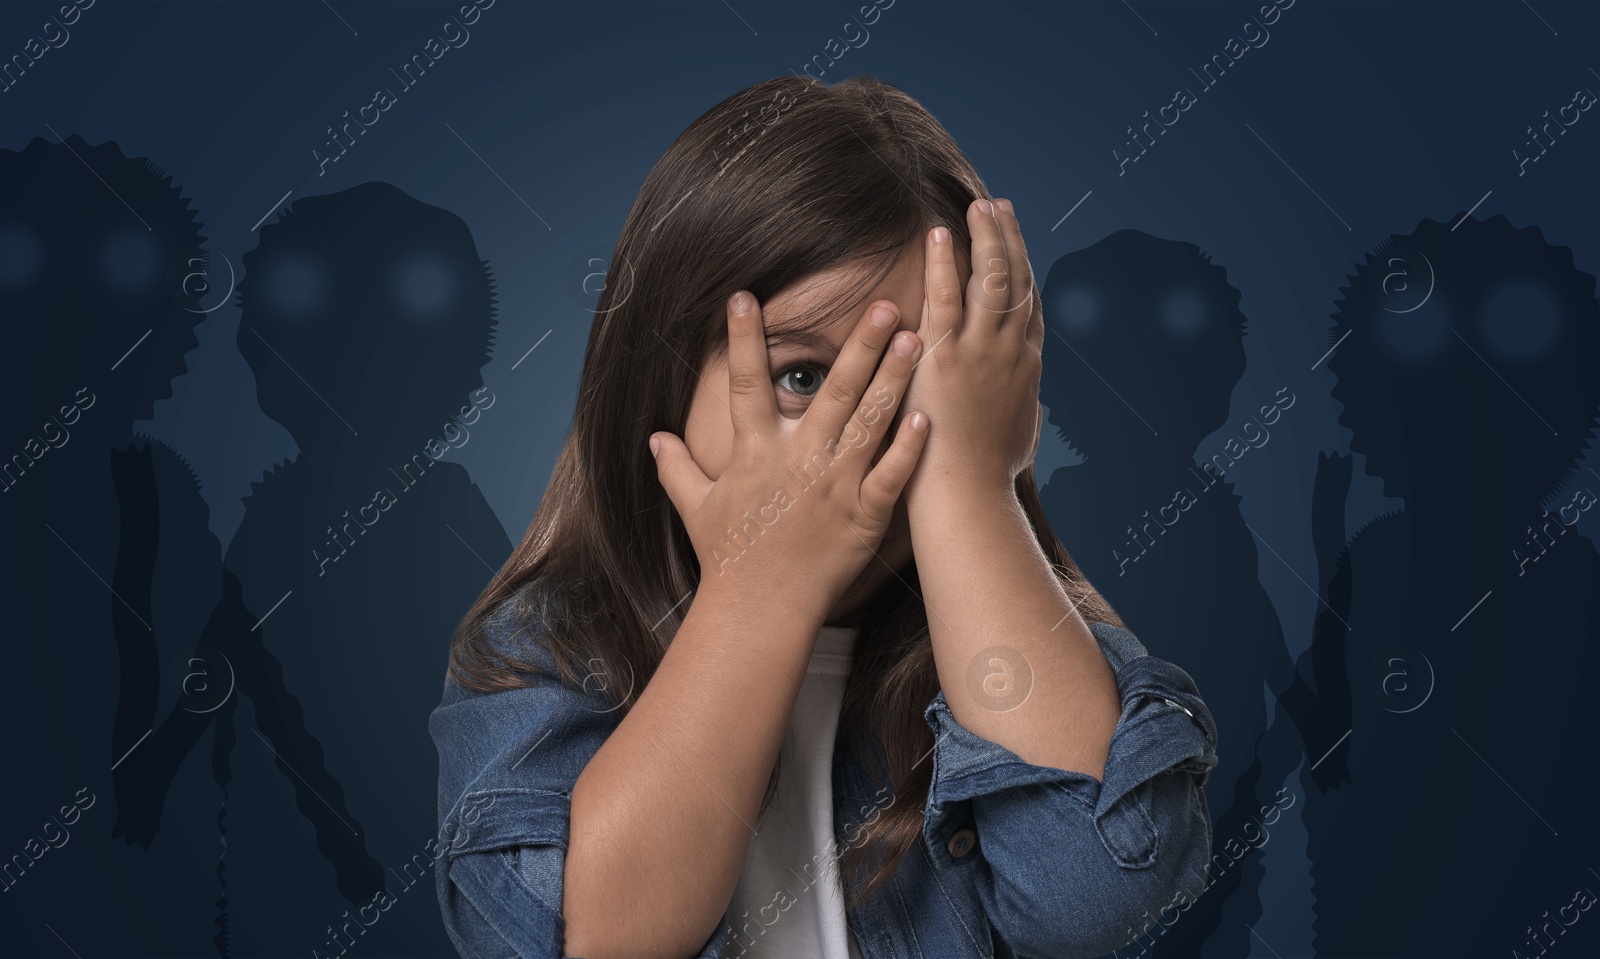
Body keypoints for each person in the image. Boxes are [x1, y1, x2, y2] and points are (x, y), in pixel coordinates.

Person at [430, 74, 1218, 959]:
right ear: (657, 379)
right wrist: (761, 585)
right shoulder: (547, 646)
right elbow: (586, 942)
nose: (862, 437)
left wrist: (970, 483)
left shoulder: (1033, 637)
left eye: (922, 387)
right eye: (802, 377)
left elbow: (1100, 900)